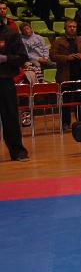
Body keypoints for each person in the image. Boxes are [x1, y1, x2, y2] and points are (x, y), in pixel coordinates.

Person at [50, 19, 81, 130]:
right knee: (65, 101)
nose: (72, 28)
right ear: (65, 28)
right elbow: (52, 56)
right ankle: (65, 123)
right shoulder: (58, 41)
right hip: (65, 76)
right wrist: (66, 58)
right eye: (70, 26)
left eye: (74, 26)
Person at [0, 12, 30, 161]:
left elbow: (23, 57)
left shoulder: (11, 33)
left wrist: (5, 58)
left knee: (10, 117)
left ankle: (17, 151)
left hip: (4, 80)